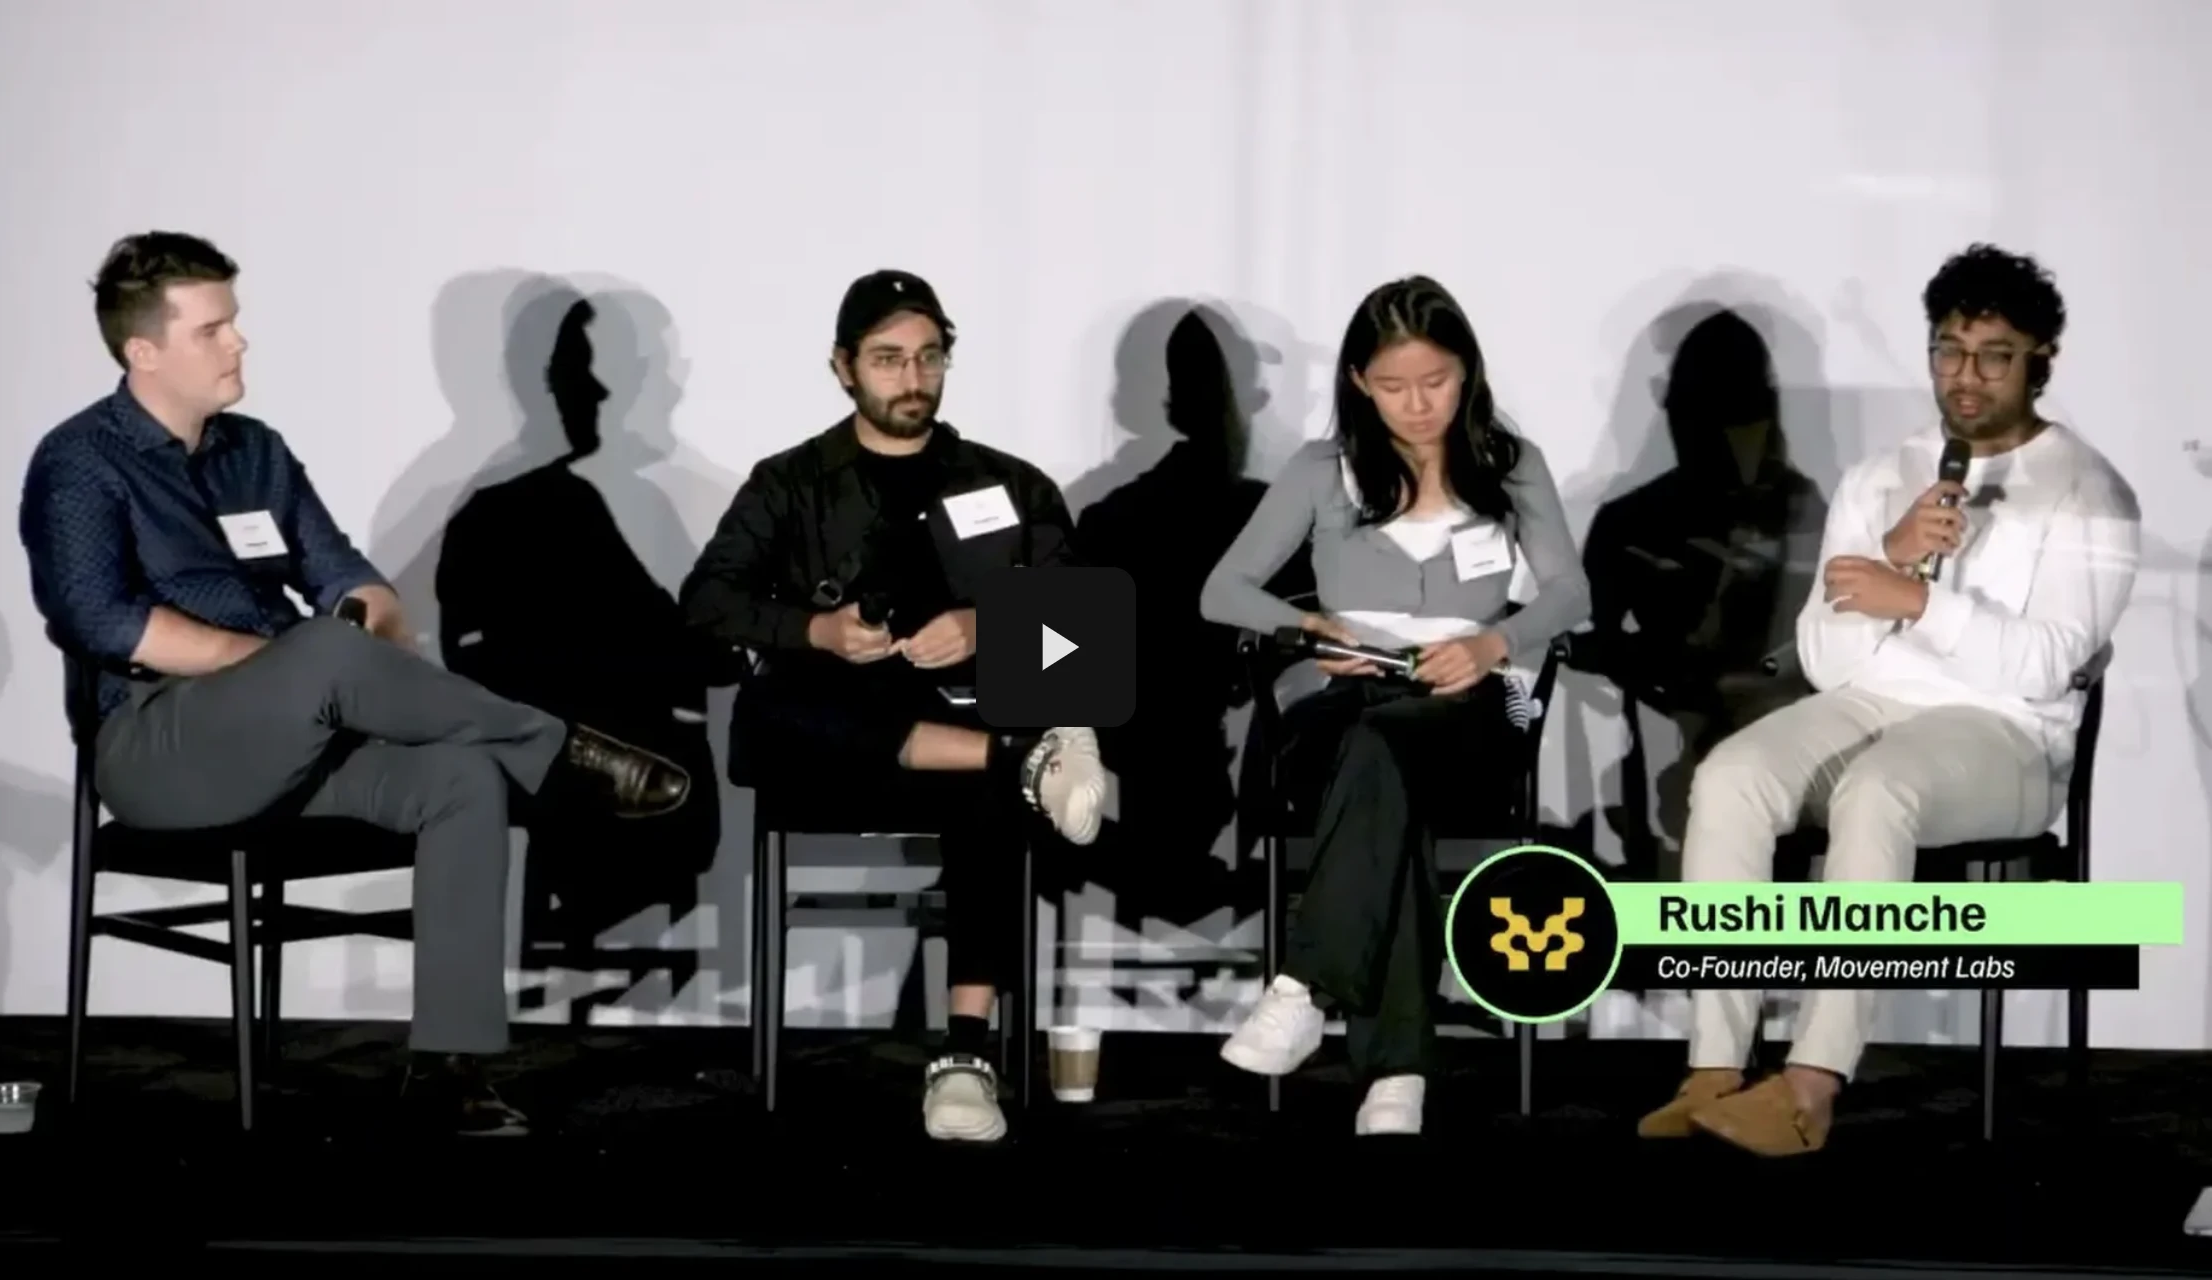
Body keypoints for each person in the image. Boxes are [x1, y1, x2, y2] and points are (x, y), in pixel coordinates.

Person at [18, 231, 693, 1136]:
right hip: (157, 748)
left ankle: (449, 1068)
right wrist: (296, 663)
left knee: (460, 776)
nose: (238, 341)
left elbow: (351, 579)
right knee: (323, 652)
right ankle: (558, 748)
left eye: (234, 322)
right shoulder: (80, 461)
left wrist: (365, 631)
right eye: (212, 330)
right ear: (144, 351)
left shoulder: (256, 452)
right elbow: (101, 622)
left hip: (295, 734)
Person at [1636, 243, 2140, 1157]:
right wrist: (1894, 553)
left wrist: (1916, 600)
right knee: (1732, 775)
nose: (1966, 376)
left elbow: (2047, 665)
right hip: (1871, 701)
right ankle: (1714, 1067)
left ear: (2042, 359)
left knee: (1878, 791)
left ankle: (1810, 1085)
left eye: (1994, 355)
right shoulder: (1881, 475)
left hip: (2009, 736)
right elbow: (1827, 659)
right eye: (1949, 350)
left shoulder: (2090, 493)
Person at [681, 269, 1109, 1144]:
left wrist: (987, 625)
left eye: (928, 358)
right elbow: (706, 603)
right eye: (887, 360)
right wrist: (818, 630)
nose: (912, 380)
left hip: (959, 745)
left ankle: (965, 1055)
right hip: (833, 749)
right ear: (843, 367)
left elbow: (1086, 627)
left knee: (993, 788)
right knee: (770, 706)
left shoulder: (1007, 483)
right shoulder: (792, 482)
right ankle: (1022, 761)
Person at [1200, 275, 1591, 1135]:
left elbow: (1571, 593)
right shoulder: (1322, 470)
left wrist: (1493, 644)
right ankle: (1397, 1070)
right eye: (1393, 386)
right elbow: (1221, 592)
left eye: (1435, 381)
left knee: (1387, 759)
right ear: (1358, 383)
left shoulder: (1509, 464)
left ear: (1467, 372)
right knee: (1379, 762)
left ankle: (1308, 988)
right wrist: (1308, 626)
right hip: (1346, 702)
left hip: (1469, 705)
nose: (1417, 405)